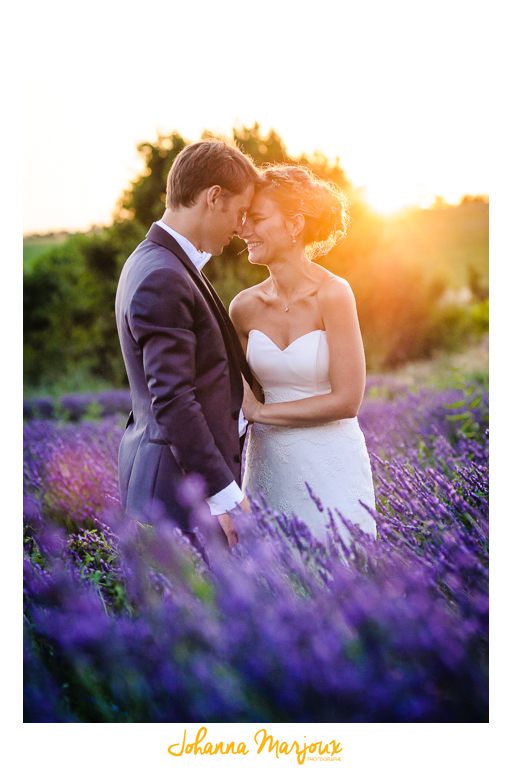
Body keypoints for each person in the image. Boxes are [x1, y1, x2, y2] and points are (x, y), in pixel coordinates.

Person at [115, 139, 258, 553]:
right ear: (214, 198)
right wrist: (224, 496)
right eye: (238, 211)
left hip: (170, 484)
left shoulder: (158, 261)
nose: (239, 227)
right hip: (179, 494)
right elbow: (174, 400)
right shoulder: (165, 275)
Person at [229, 165, 377, 544]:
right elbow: (234, 401)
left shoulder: (334, 294)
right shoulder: (242, 307)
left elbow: (347, 401)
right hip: (267, 467)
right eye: (244, 218)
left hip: (332, 464)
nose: (243, 229)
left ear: (294, 225)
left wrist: (262, 413)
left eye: (257, 219)